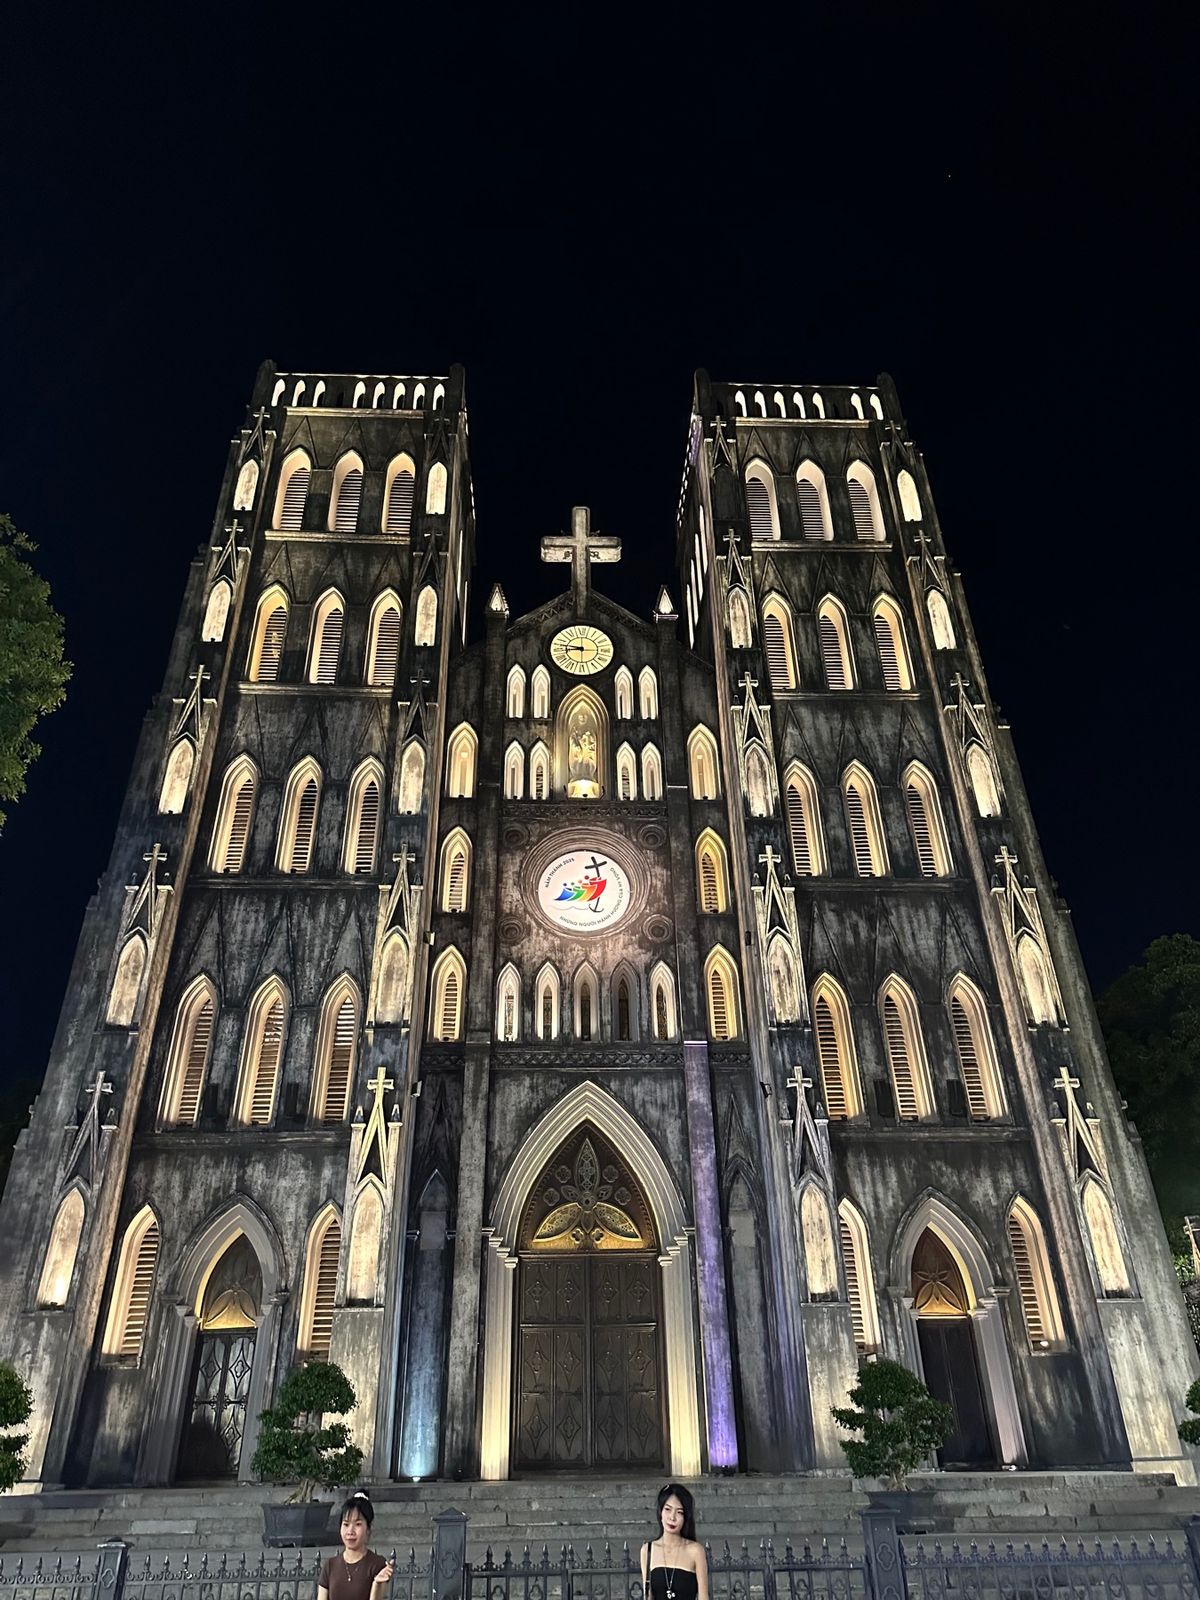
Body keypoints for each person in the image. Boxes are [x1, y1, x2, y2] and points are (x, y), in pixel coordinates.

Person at [318, 1491, 394, 1600]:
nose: (350, 1531)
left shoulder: (377, 1564)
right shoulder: (330, 1565)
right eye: (346, 1524)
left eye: (358, 1524)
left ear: (368, 1528)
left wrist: (376, 1584)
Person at [640, 1485, 708, 1600]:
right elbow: (648, 1596)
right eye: (667, 1509)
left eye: (679, 1512)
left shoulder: (696, 1551)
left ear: (686, 1517)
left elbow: (703, 1597)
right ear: (660, 1512)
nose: (672, 1517)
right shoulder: (648, 1550)